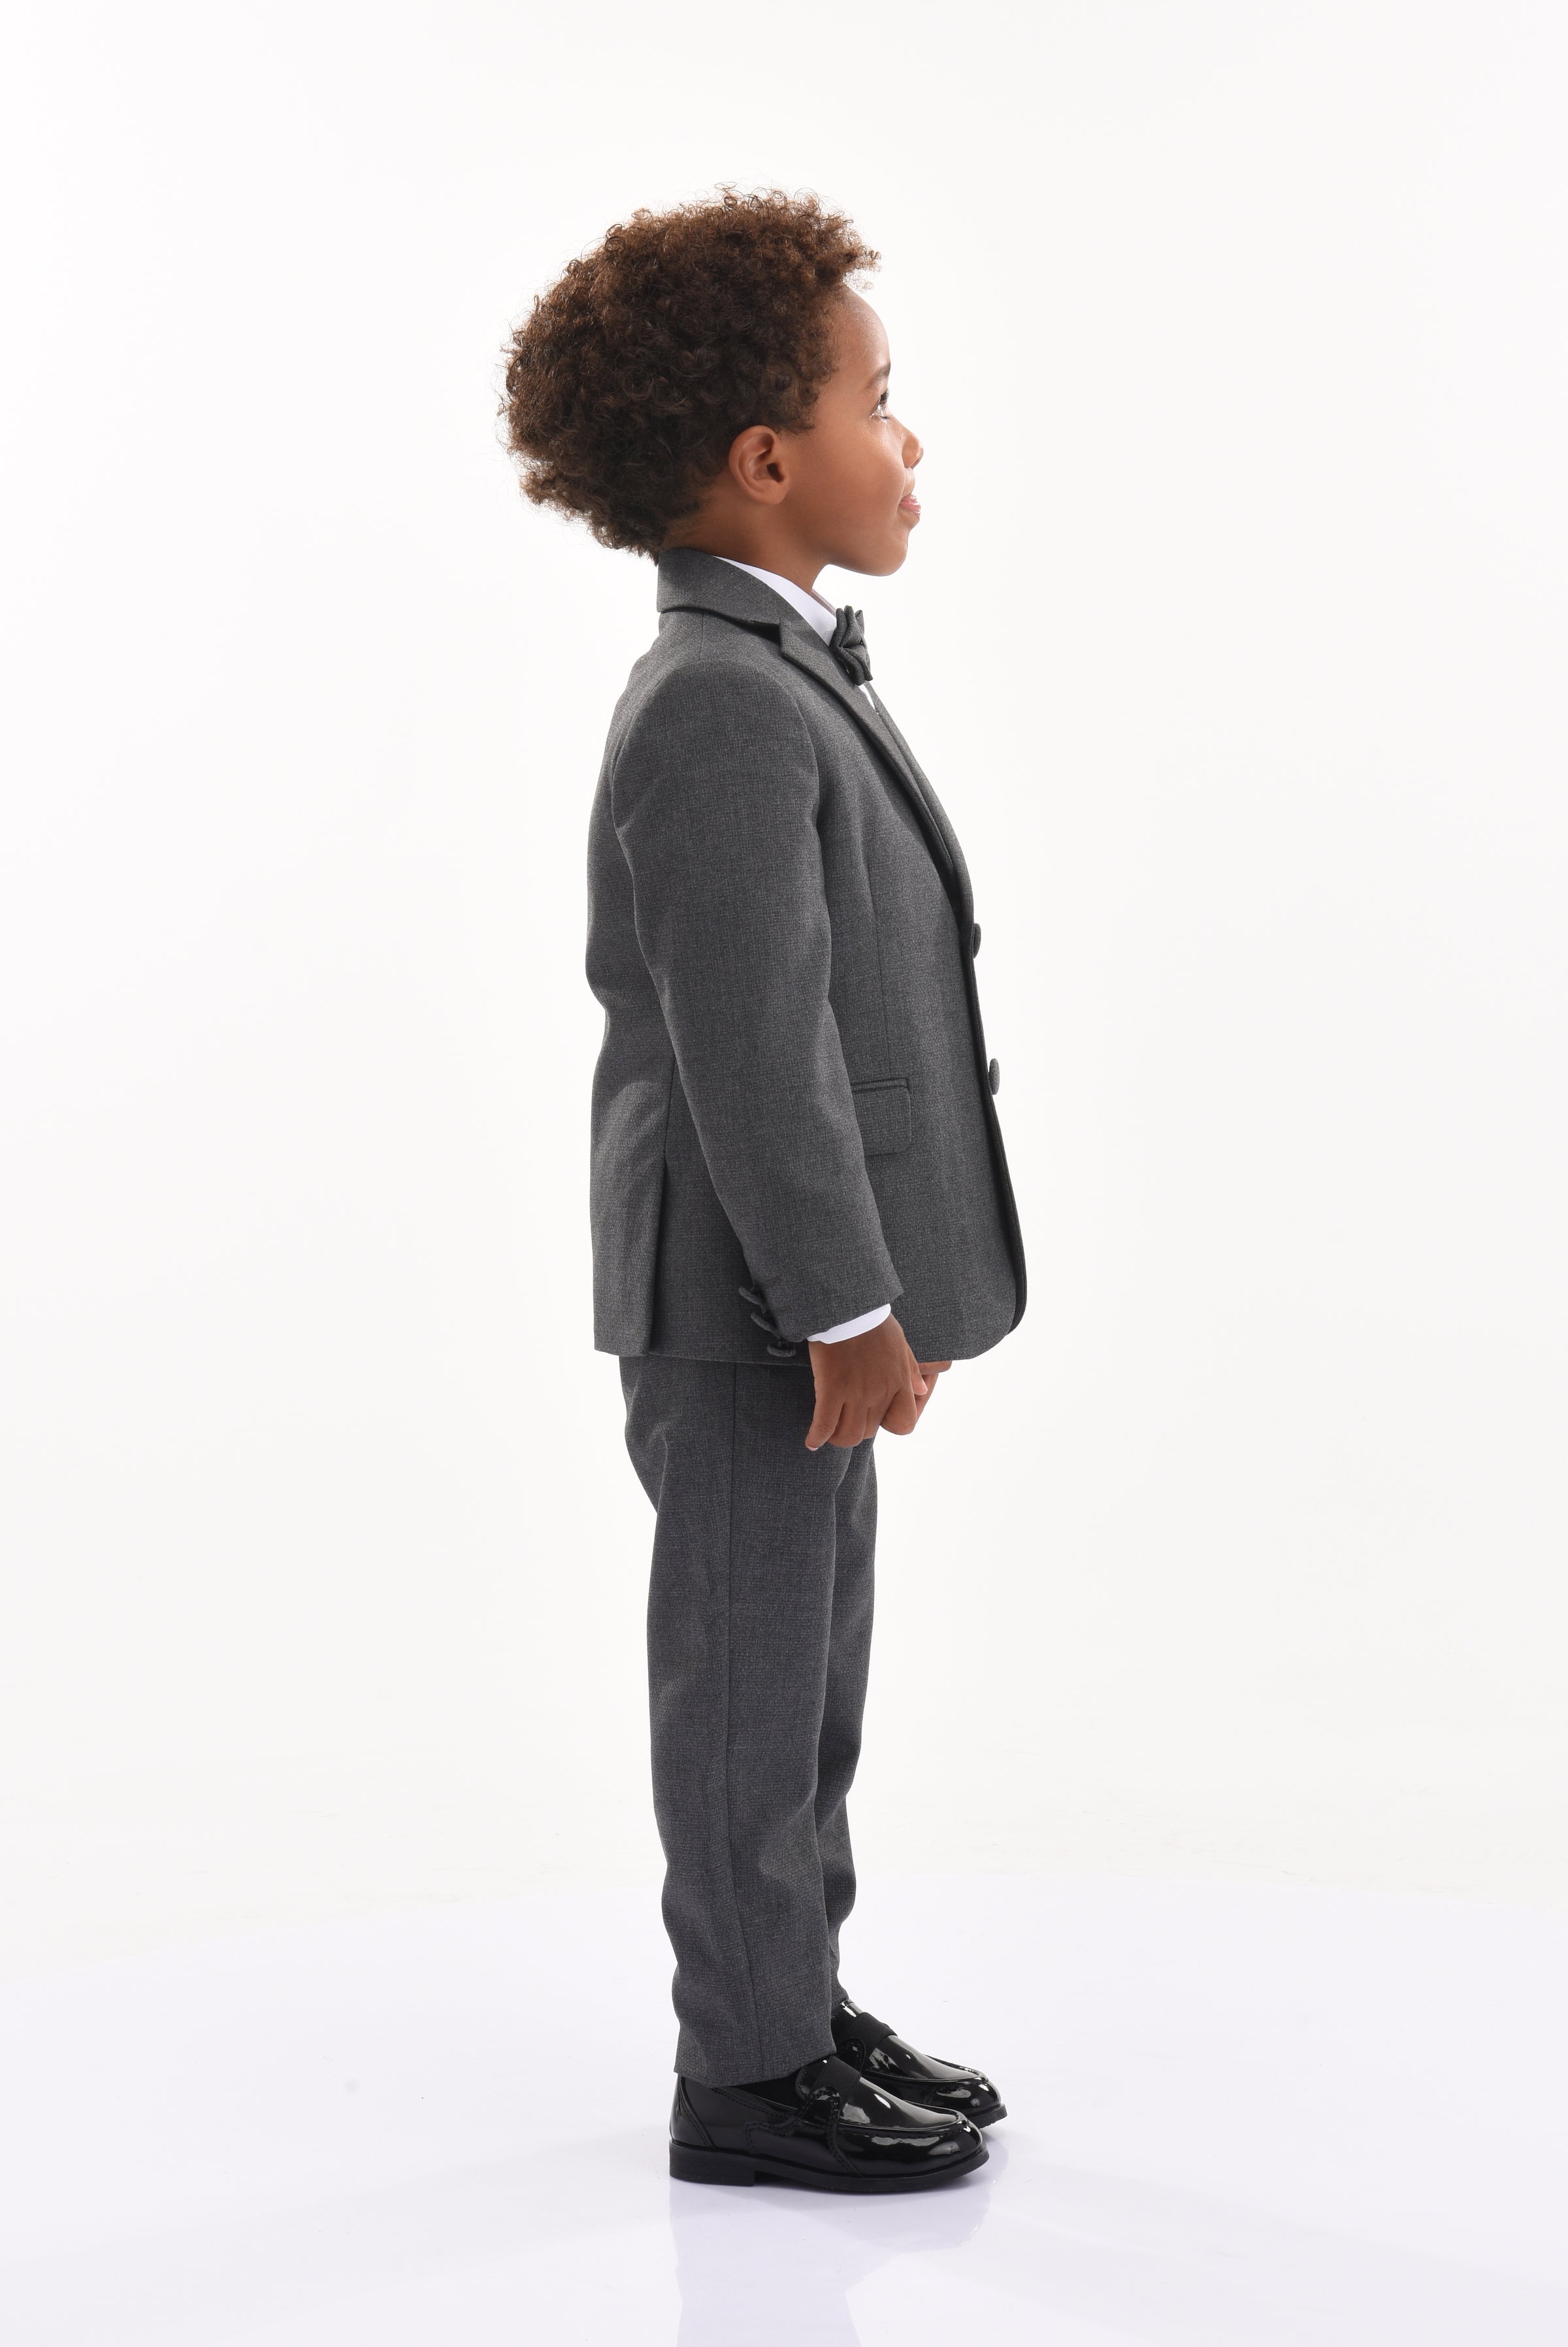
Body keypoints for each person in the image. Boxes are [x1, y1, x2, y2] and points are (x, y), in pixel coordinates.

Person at [501, 189, 1025, 2193]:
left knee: (806, 1677)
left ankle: (792, 2005)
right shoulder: (719, 698)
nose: (912, 437)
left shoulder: (776, 668)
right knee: (746, 1687)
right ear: (765, 460)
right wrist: (843, 1306)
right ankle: (745, 2077)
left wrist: (875, 1286)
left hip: (790, 1296)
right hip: (748, 1306)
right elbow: (753, 1051)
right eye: (879, 399)